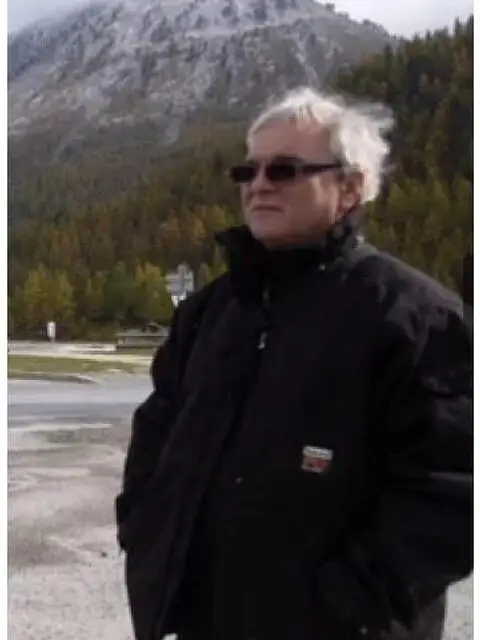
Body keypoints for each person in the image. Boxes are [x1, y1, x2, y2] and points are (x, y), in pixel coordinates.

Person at [115, 87, 473, 640]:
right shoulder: (210, 311)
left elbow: (449, 493)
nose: (259, 184)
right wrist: (144, 533)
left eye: (284, 170)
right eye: (249, 170)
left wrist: (346, 606)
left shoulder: (415, 317)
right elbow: (155, 436)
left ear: (350, 187)